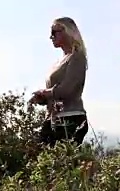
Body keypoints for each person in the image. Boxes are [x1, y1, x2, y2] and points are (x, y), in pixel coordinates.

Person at [29, 17, 89, 147]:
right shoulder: (60, 61)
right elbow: (56, 93)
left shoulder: (77, 57)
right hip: (54, 119)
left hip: (70, 118)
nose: (51, 37)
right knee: (44, 161)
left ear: (67, 31)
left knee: (60, 163)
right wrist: (42, 98)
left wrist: (46, 93)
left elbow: (67, 90)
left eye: (54, 32)